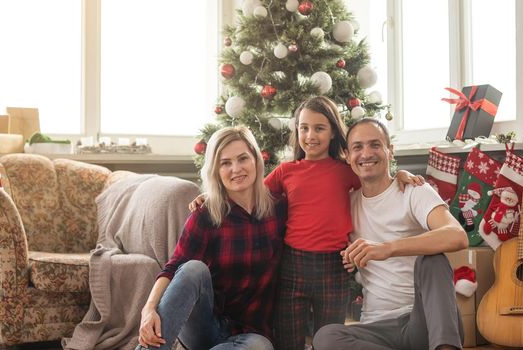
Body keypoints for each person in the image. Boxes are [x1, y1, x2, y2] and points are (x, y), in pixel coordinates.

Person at [264, 96, 423, 350]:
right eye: (304, 128)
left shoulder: (346, 170)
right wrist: (210, 195)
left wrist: (400, 174)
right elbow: (252, 196)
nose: (310, 135)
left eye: (319, 128)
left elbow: (378, 182)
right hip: (293, 265)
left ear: (332, 133)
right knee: (287, 340)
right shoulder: (286, 171)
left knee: (328, 338)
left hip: (334, 266)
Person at [312, 118, 468, 350]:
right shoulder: (346, 204)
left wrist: (387, 248)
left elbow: (457, 236)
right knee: (326, 337)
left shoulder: (414, 191)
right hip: (376, 328)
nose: (366, 153)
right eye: (357, 147)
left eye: (375, 145)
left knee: (433, 260)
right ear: (347, 155)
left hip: (424, 322)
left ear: (390, 151)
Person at [136, 126, 287, 350]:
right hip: (205, 325)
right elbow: (174, 268)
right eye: (225, 163)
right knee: (192, 268)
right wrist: (148, 309)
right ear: (216, 170)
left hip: (252, 333)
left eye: (242, 158)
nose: (236, 169)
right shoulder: (206, 214)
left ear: (256, 159)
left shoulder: (278, 208)